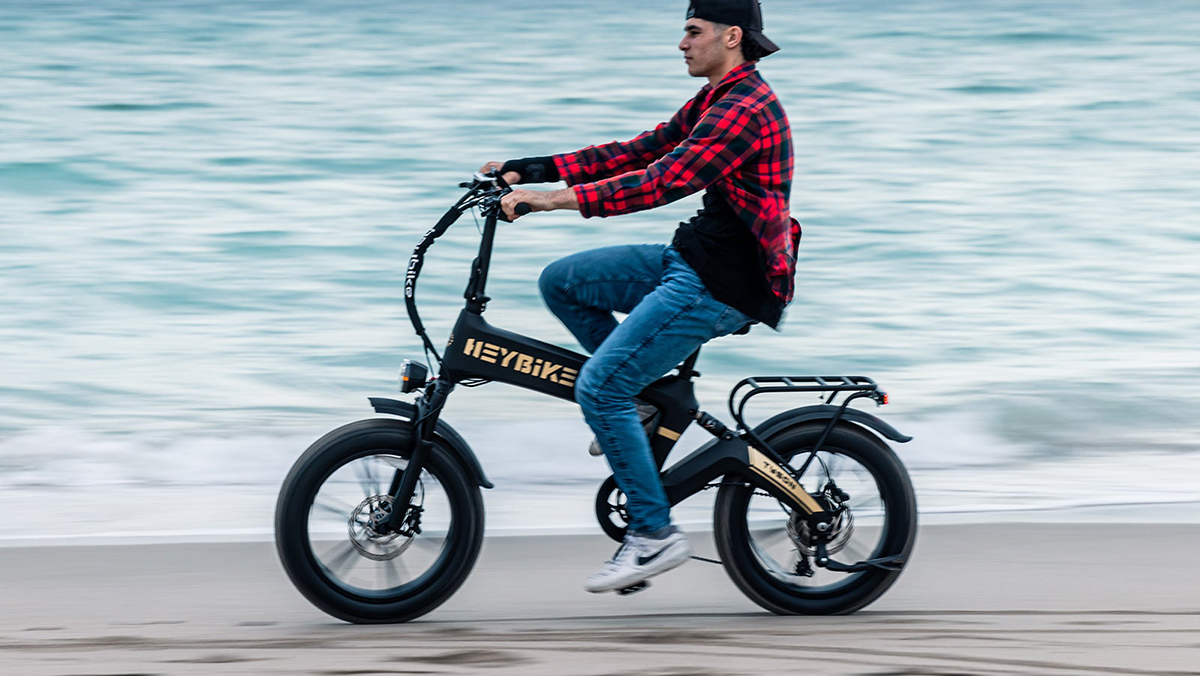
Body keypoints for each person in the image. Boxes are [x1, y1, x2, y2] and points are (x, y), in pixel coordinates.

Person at [479, 0, 799, 594]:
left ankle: (654, 534)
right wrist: (531, 170)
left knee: (599, 385)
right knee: (562, 282)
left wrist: (551, 203)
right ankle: (646, 403)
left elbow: (665, 180)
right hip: (695, 257)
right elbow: (640, 150)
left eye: (692, 31)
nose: (681, 43)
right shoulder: (715, 99)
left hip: (723, 284)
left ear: (732, 37)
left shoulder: (746, 109)